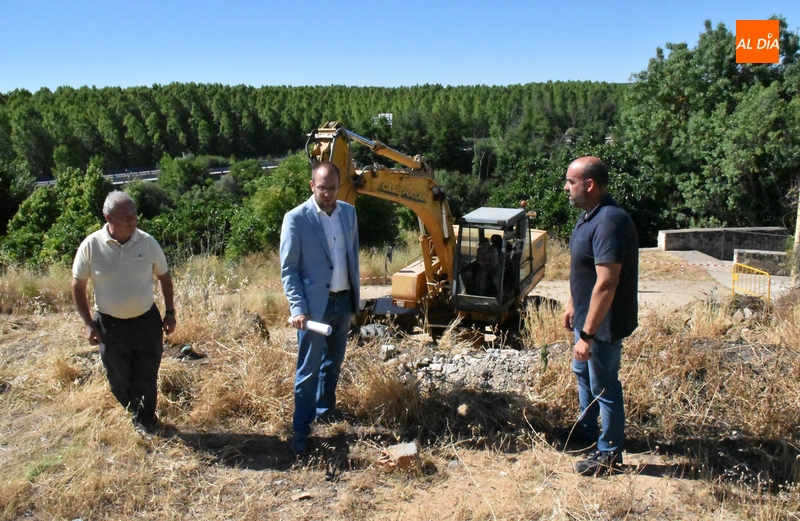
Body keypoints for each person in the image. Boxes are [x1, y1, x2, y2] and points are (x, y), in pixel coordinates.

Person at [71, 191, 176, 435]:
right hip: (110, 325)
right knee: (118, 378)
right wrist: (89, 324)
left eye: (134, 214)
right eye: (125, 215)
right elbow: (78, 285)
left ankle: (145, 421)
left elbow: (164, 276)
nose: (132, 219)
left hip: (146, 322)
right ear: (108, 217)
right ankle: (136, 413)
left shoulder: (147, 242)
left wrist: (170, 312)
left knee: (147, 373)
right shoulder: (91, 245)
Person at [561, 156, 638, 476]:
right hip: (587, 318)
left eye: (571, 182)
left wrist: (588, 335)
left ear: (589, 185)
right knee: (582, 373)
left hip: (602, 325)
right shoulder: (588, 217)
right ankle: (587, 430)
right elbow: (584, 269)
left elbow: (607, 282)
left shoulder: (609, 221)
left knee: (605, 386)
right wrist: (571, 303)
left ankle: (609, 453)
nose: (566, 188)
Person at [280, 161, 360, 455]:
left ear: (340, 187)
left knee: (333, 364)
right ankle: (301, 430)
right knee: (308, 371)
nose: (328, 193)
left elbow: (353, 257)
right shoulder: (296, 219)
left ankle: (325, 410)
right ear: (312, 185)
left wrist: (355, 300)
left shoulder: (348, 213)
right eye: (322, 187)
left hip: (343, 301)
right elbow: (289, 269)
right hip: (313, 310)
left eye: (333, 187)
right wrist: (297, 308)